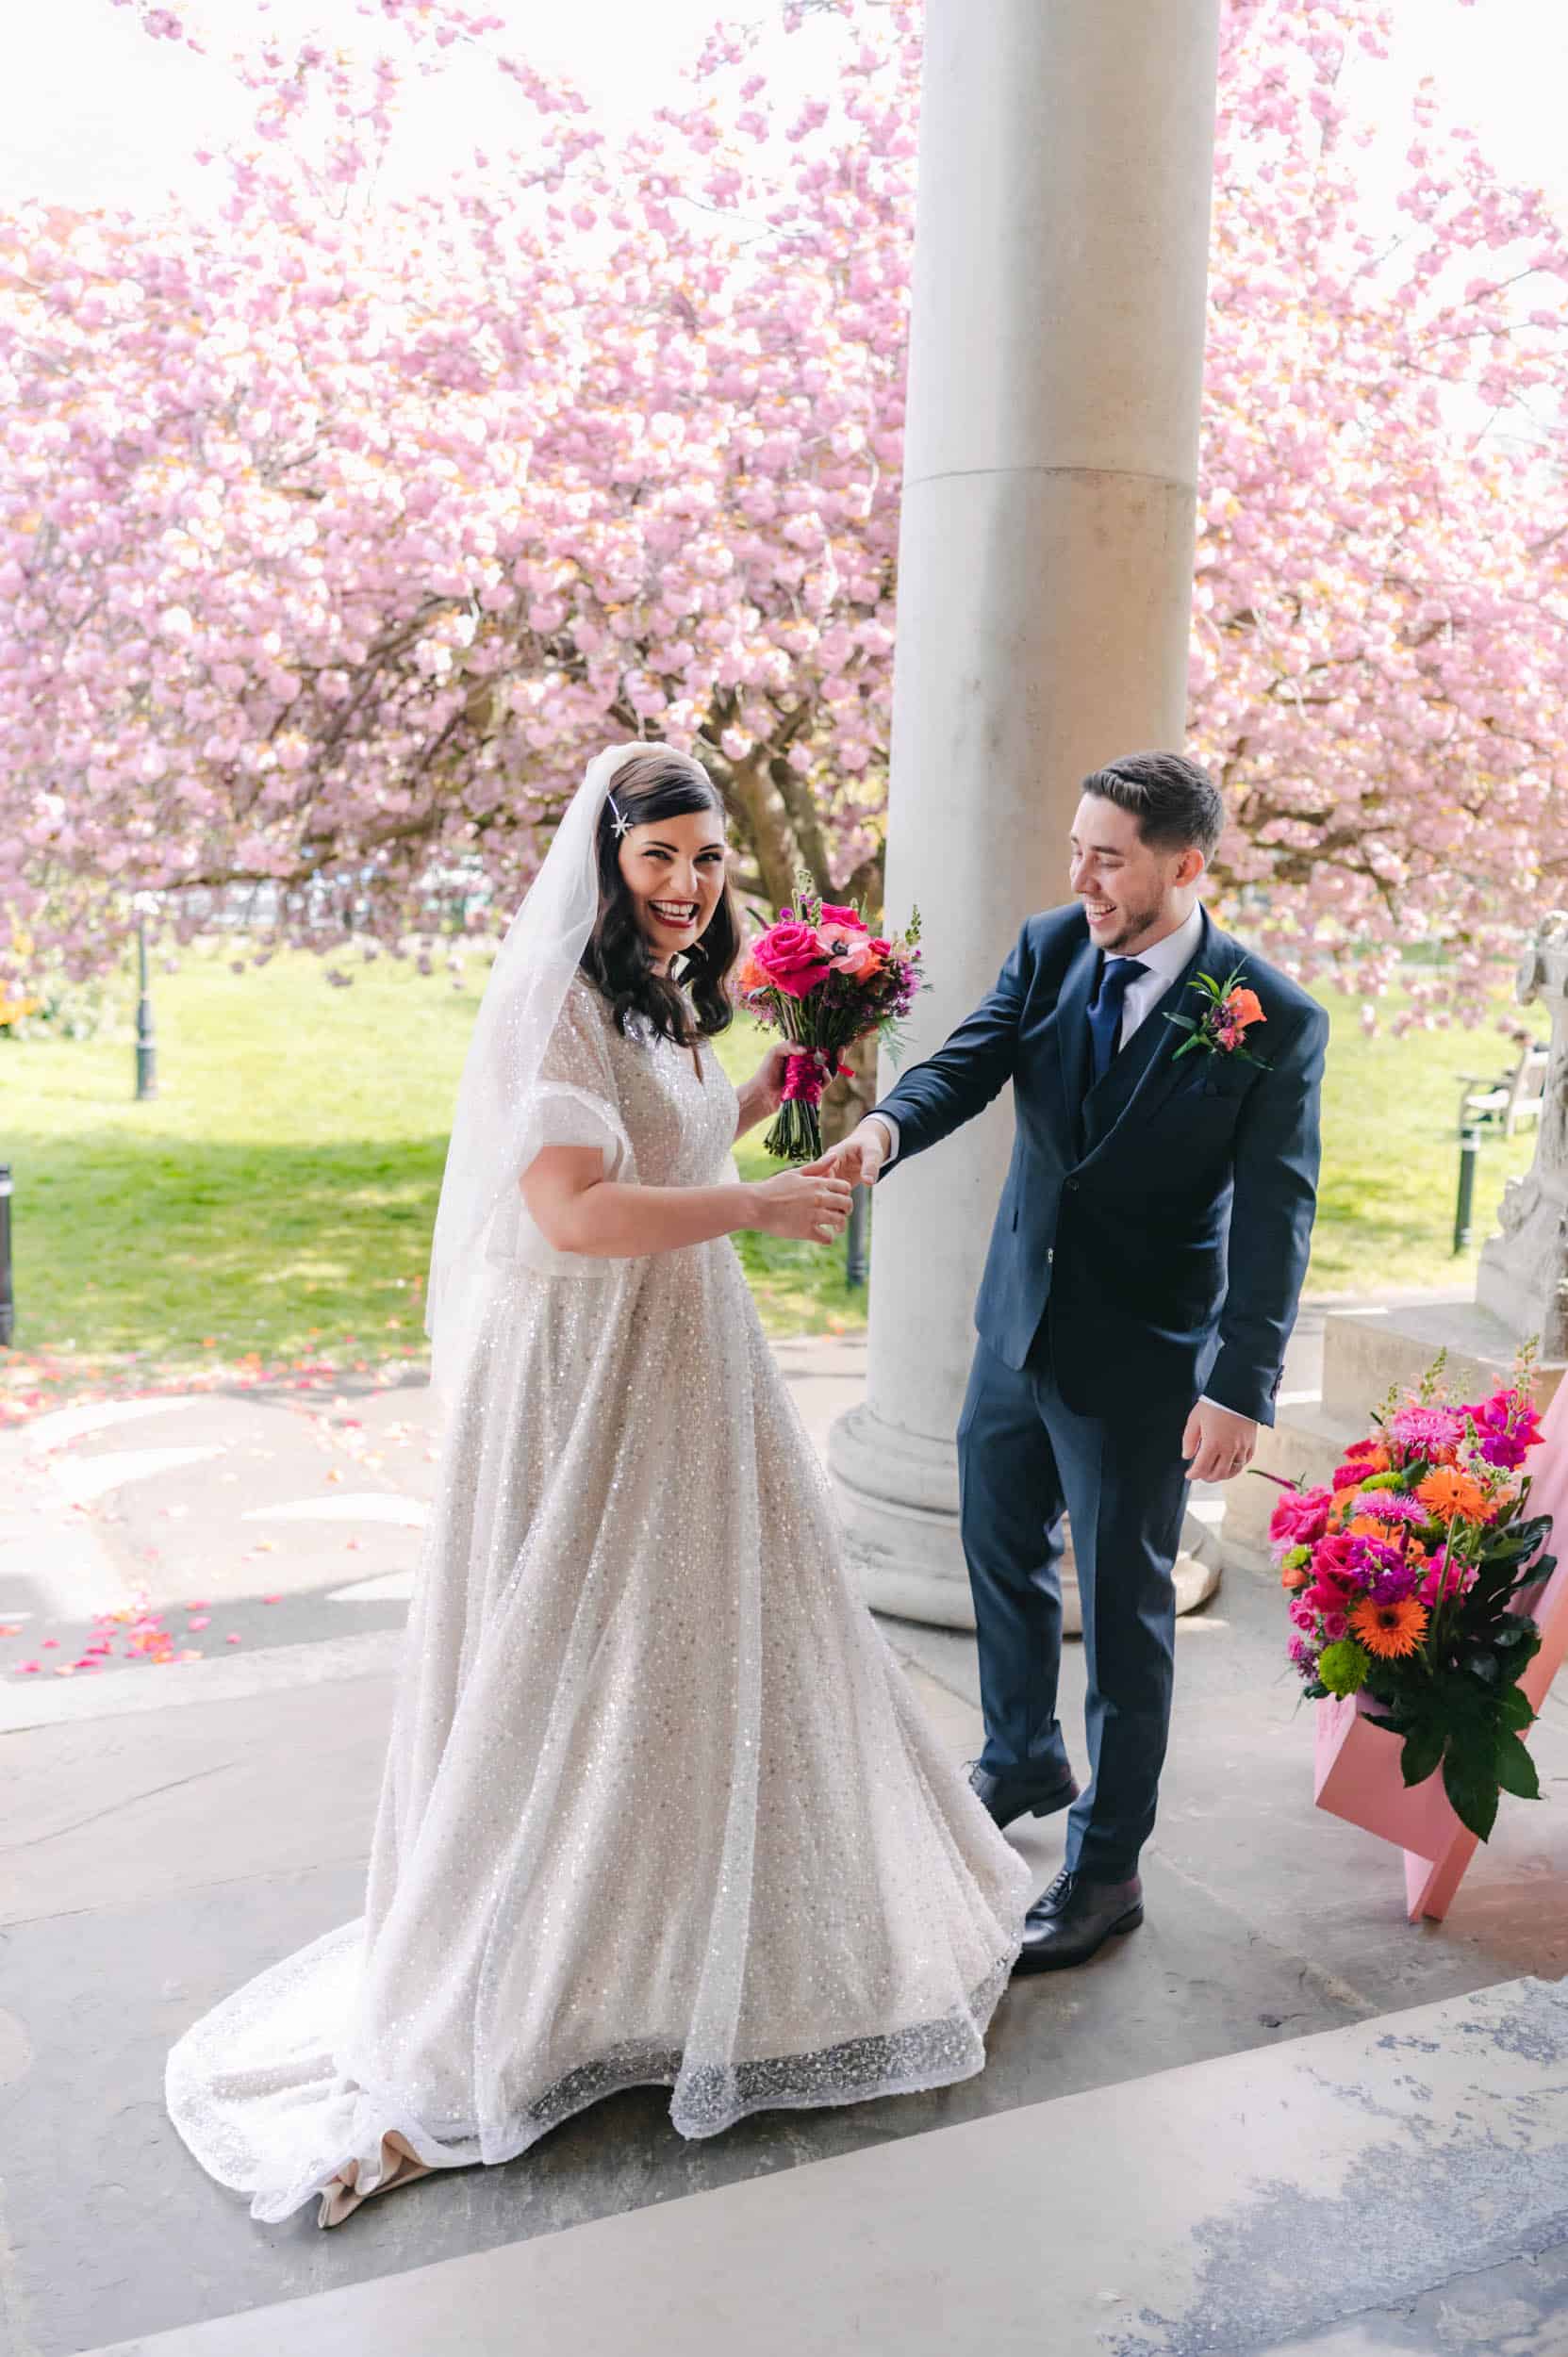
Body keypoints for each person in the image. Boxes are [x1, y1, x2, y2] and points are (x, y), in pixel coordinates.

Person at [166, 743, 1029, 2228]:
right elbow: (570, 1211)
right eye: (660, 858)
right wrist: (752, 1206)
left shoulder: (658, 996)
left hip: (683, 1350)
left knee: (688, 1650)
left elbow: (661, 1140)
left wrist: (773, 1086)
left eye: (707, 859)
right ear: (606, 862)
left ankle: (673, 1951)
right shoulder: (549, 1005)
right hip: (584, 1366)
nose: (688, 885)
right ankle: (537, 1976)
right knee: (578, 1655)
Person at [820, 752, 1328, 1972]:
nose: (1081, 878)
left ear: (1185, 866)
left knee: (1124, 1622)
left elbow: (1278, 1217)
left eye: (1108, 859)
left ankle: (1108, 1871)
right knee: (997, 1553)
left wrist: (1238, 1385)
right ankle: (1020, 1758)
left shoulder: (1270, 1018)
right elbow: (971, 1056)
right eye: (1075, 850)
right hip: (1017, 1329)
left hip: (1143, 1365)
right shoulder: (1050, 946)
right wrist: (885, 1129)